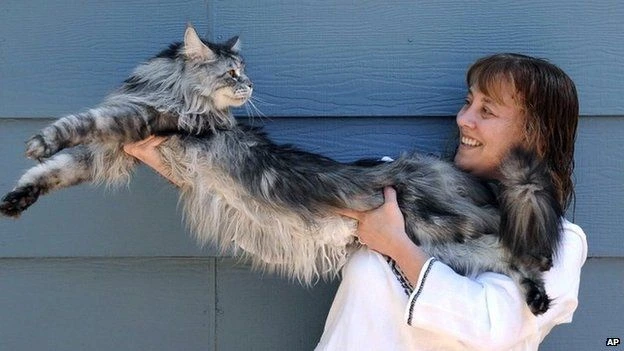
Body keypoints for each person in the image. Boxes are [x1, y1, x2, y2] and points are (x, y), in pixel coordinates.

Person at [124, 53, 587, 350]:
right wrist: (184, 173)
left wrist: (397, 245)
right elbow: (289, 230)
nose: (464, 119)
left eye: (487, 111)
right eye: (468, 102)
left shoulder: (560, 242)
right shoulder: (395, 186)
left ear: (534, 133)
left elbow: (493, 329)